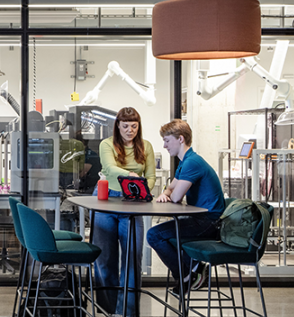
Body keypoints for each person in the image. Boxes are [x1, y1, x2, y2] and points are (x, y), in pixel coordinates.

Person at [146, 119, 226, 292]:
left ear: (180, 139)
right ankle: (191, 270)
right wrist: (167, 193)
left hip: (208, 222)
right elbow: (170, 189)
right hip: (201, 219)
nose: (165, 146)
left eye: (167, 140)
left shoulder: (192, 163)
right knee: (162, 235)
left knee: (154, 235)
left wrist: (169, 194)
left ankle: (187, 274)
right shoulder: (186, 162)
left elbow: (175, 197)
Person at [92, 107, 157, 316]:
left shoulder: (146, 146)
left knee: (132, 259)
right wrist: (131, 177)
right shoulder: (107, 144)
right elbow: (109, 168)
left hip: (133, 203)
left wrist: (145, 187)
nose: (130, 130)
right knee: (105, 259)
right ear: (118, 125)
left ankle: (128, 312)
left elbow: (151, 176)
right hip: (107, 200)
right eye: (126, 126)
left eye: (134, 126)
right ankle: (107, 310)